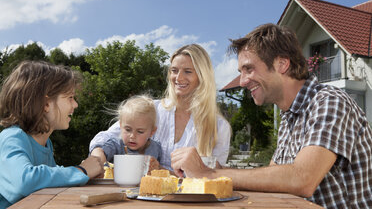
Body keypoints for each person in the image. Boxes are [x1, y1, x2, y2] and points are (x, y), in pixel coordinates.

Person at [171, 24, 372, 209]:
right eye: (241, 72)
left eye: (249, 69)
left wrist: (211, 175)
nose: (242, 81)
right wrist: (219, 169)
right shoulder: (289, 116)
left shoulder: (329, 101)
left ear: (282, 64)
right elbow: (273, 179)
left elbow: (302, 179)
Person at [90, 44, 231, 171]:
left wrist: (163, 171)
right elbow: (106, 137)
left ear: (202, 76)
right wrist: (98, 157)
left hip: (190, 199)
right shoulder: (152, 109)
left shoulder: (219, 126)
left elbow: (216, 176)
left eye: (188, 71)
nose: (178, 78)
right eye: (174, 70)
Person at [0, 61, 104, 208]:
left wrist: (83, 175)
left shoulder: (45, 143)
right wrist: (81, 170)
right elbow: (24, 181)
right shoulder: (12, 138)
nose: (75, 105)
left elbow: (50, 183)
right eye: (70, 97)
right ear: (46, 103)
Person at [90, 95, 162, 171]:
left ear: (152, 132)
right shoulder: (116, 145)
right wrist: (102, 166)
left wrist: (157, 167)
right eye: (128, 130)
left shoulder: (156, 148)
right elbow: (98, 153)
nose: (132, 136)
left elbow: (160, 170)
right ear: (121, 126)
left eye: (140, 132)